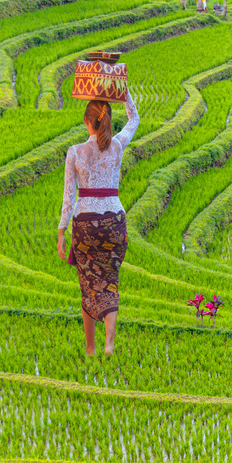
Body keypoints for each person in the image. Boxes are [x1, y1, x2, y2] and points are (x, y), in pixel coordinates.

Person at [57, 90, 139, 356]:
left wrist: (61, 231)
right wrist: (123, 93)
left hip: (85, 225)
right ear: (108, 120)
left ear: (86, 121)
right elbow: (134, 120)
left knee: (88, 284)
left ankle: (90, 347)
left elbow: (69, 196)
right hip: (114, 222)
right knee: (109, 281)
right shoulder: (117, 145)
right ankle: (109, 345)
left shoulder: (75, 152)